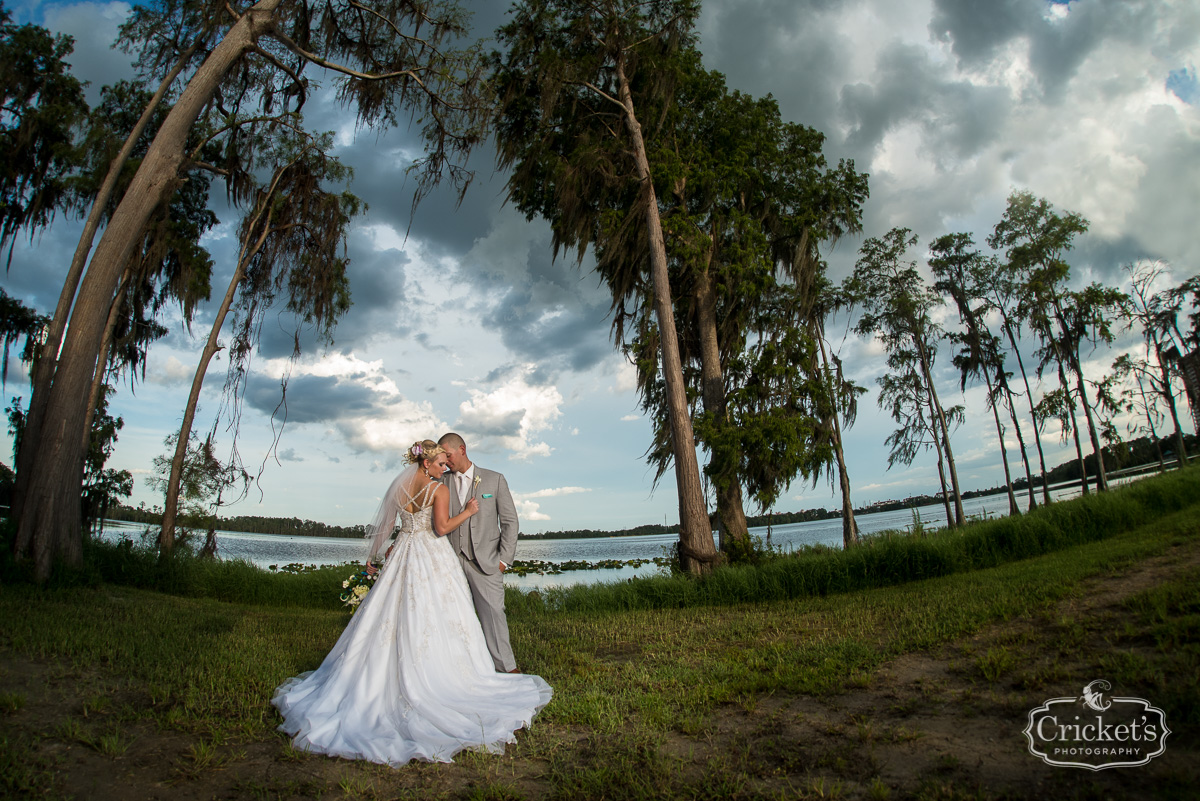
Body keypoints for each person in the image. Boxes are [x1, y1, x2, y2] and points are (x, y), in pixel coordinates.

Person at [271, 440, 552, 766]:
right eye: (440, 463)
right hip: (433, 557)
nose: (444, 467)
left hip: (404, 553)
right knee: (441, 615)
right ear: (427, 463)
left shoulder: (399, 487)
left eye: (447, 462)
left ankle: (395, 672)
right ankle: (441, 679)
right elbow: (442, 527)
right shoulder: (438, 490)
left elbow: (387, 527)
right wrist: (469, 512)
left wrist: (373, 558)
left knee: (392, 611)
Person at [437, 432, 520, 673]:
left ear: (462, 449)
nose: (446, 461)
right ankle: (462, 671)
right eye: (443, 458)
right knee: (452, 617)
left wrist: (504, 560)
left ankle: (507, 667)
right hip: (450, 562)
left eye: (449, 455)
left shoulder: (494, 480)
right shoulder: (440, 482)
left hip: (486, 562)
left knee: (494, 613)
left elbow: (510, 522)